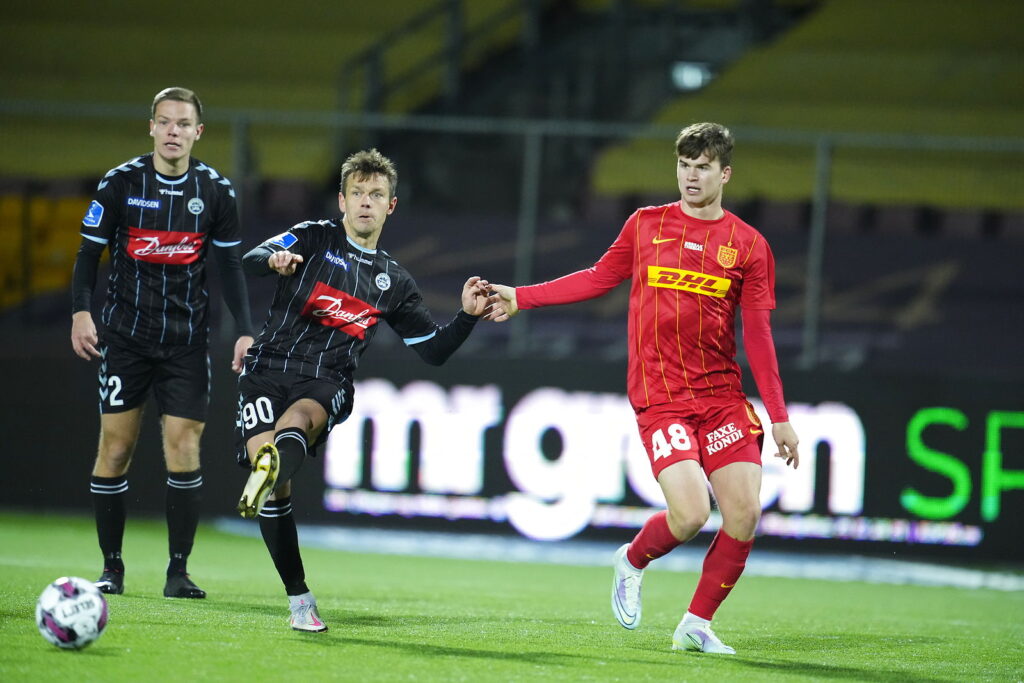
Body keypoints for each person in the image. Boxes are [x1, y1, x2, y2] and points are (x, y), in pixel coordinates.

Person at [487, 122, 800, 654]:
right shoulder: (646, 225)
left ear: (725, 174)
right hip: (661, 398)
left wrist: (779, 415)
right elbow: (595, 277)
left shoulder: (748, 245)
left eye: (703, 167)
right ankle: (632, 559)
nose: (691, 176)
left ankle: (696, 624)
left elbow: (760, 335)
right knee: (692, 514)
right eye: (684, 165)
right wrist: (521, 296)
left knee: (744, 513)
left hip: (722, 398)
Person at [235, 148, 494, 632]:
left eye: (377, 195)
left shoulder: (394, 282)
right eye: (358, 193)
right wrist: (276, 258)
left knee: (296, 423)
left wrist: (467, 317)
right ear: (342, 200)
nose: (366, 203)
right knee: (276, 492)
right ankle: (299, 596)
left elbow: (433, 351)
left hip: (326, 378)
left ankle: (268, 472)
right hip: (266, 369)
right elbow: (249, 259)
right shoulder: (312, 237)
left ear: (391, 206)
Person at [71, 87, 255, 599]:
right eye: (165, 121)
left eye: (183, 123)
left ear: (199, 132)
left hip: (186, 344)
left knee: (184, 444)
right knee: (116, 446)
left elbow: (230, 266)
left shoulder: (216, 193)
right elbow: (87, 256)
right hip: (125, 340)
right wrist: (81, 311)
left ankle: (178, 572)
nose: (173, 131)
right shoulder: (120, 185)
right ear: (150, 127)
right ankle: (112, 568)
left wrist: (244, 328)